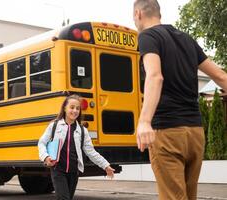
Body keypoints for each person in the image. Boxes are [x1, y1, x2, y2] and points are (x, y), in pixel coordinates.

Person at [133, 0, 227, 199]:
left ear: (139, 13)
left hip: (167, 132)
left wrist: (144, 121)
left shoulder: (147, 37)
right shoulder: (187, 39)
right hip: (195, 133)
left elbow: (155, 76)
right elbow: (221, 76)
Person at [38, 94, 115, 200]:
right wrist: (46, 157)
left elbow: (91, 152)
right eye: (72, 107)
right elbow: (41, 143)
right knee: (64, 198)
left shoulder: (82, 131)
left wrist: (105, 165)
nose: (75, 111)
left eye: (77, 108)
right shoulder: (54, 126)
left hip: (74, 172)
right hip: (58, 169)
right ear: (65, 108)